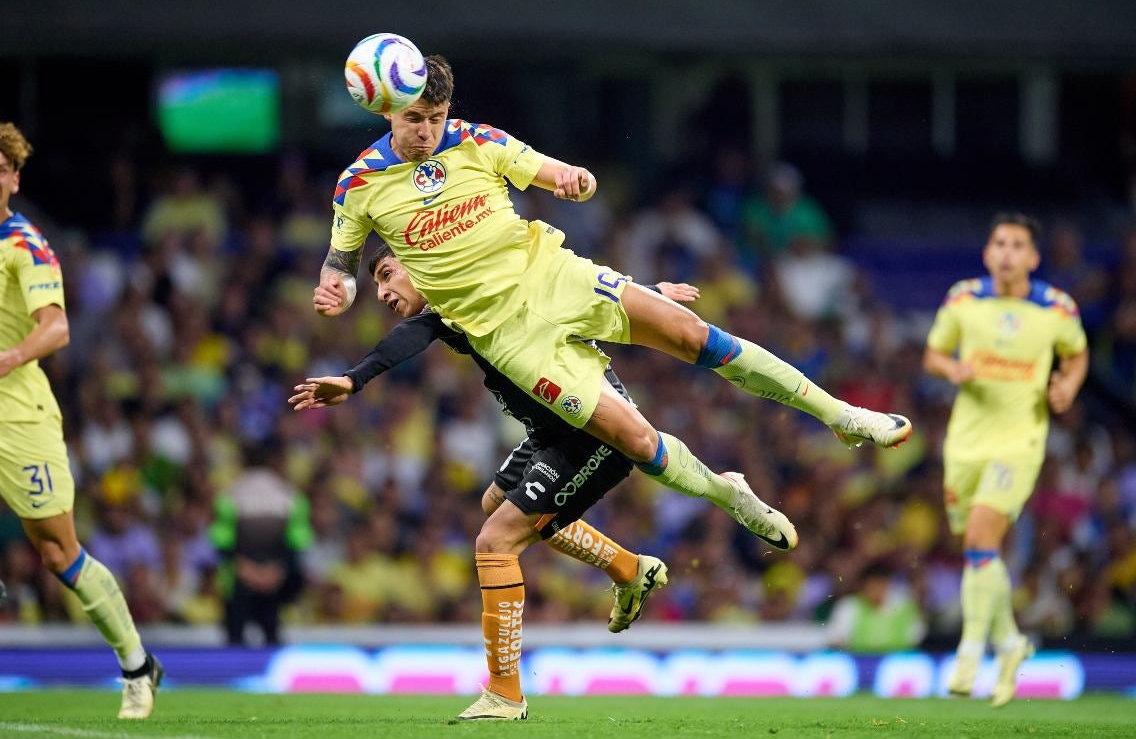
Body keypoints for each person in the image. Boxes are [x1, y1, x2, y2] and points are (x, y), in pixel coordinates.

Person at [313, 55, 910, 719]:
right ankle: (717, 497)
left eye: (435, 117)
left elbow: (548, 169)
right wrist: (335, 289)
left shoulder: (477, 141)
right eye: (414, 119)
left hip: (554, 275)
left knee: (690, 333)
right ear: (384, 110)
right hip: (516, 342)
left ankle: (841, 416)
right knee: (622, 447)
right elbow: (341, 264)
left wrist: (573, 179)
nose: (427, 131)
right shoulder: (359, 185)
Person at [293, 245, 798, 717]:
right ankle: (628, 568)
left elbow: (571, 284)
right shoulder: (456, 304)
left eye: (386, 275)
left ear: (419, 260)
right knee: (497, 503)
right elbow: (424, 329)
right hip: (548, 430)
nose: (381, 293)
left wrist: (644, 298)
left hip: (588, 430)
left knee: (495, 542)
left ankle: (504, 692)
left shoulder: (475, 286)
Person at [0, 122, 163, 718]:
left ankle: (138, 666)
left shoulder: (27, 244)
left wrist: (11, 356)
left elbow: (57, 326)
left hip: (19, 414)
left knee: (59, 554)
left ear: (14, 181)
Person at [923, 212, 1088, 707]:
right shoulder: (963, 299)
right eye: (1000, 243)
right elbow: (933, 354)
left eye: (1018, 245)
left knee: (980, 535)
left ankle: (970, 654)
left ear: (1034, 258)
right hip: (966, 442)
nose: (1007, 253)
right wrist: (954, 367)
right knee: (978, 549)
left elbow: (1077, 355)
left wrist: (1068, 385)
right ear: (987, 252)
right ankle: (1012, 642)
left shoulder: (1057, 309)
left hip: (1020, 441)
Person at [210, 440, 313, 646]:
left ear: (243, 463)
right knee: (272, 634)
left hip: (238, 578)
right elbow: (299, 541)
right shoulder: (291, 496)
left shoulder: (229, 494)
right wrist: (276, 569)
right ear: (273, 462)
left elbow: (221, 540)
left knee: (235, 638)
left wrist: (245, 569)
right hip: (274, 579)